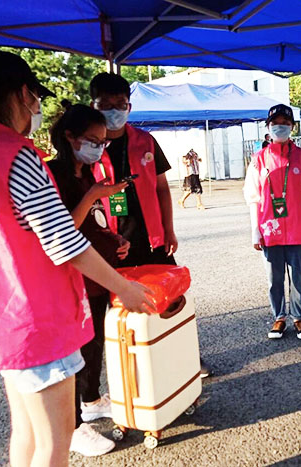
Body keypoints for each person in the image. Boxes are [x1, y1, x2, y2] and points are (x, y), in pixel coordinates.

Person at [0, 51, 154, 467]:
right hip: (38, 320)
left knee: (26, 434)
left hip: (3, 319)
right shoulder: (17, 154)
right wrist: (124, 288)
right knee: (54, 444)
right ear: (23, 94)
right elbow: (63, 241)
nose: (37, 108)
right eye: (36, 98)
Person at [89, 73, 210, 376]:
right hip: (108, 246)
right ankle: (129, 374)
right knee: (112, 314)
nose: (114, 111)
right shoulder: (87, 146)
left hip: (150, 239)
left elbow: (162, 189)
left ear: (129, 106)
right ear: (93, 106)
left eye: (120, 104)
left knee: (172, 301)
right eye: (106, 104)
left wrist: (169, 230)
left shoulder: (145, 141)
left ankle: (188, 360)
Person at [48, 103, 130, 457]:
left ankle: (92, 400)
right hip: (72, 277)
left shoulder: (86, 174)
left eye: (103, 142)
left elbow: (94, 224)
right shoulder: (53, 174)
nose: (99, 148)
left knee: (95, 342)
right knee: (74, 351)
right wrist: (93, 195)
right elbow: (62, 229)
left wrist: (116, 240)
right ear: (69, 137)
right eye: (93, 141)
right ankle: (73, 426)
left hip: (97, 276)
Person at [243, 104, 301, 340]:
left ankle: (298, 318)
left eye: (285, 123)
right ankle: (279, 317)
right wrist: (255, 232)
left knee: (298, 277)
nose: (280, 127)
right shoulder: (258, 160)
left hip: (298, 229)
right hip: (270, 229)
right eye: (275, 123)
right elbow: (253, 198)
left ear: (292, 127)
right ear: (268, 127)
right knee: (274, 278)